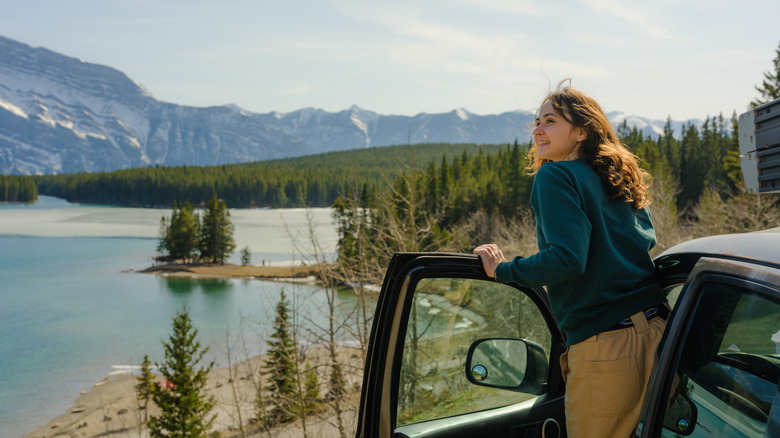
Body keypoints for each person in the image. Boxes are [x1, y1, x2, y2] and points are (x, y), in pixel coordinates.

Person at [473, 81, 668, 437]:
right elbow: (646, 240)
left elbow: (566, 260)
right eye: (536, 121)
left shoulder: (555, 175)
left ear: (581, 131)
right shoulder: (618, 176)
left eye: (550, 121)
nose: (537, 129)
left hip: (606, 347)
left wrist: (503, 270)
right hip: (659, 333)